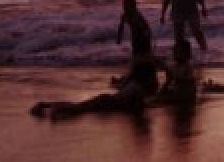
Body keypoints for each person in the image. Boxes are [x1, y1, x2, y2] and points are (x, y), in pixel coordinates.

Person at [31, 49, 162, 119]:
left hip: (107, 100)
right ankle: (54, 109)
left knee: (80, 107)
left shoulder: (132, 84)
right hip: (108, 103)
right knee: (79, 109)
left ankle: (48, 105)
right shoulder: (138, 88)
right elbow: (133, 104)